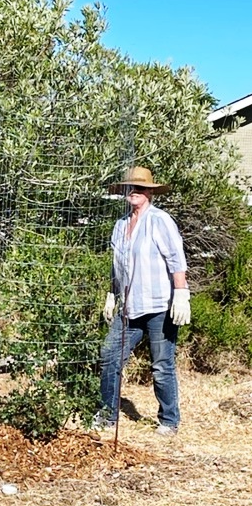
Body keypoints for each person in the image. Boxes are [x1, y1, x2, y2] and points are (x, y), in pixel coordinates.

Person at [94, 166, 190, 436]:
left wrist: (181, 294)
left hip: (160, 305)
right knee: (110, 357)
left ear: (150, 192)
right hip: (129, 307)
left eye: (139, 188)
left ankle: (169, 420)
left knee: (161, 365)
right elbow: (118, 267)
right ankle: (107, 414)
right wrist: (112, 294)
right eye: (129, 188)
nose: (133, 192)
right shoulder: (120, 225)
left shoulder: (160, 220)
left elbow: (175, 259)